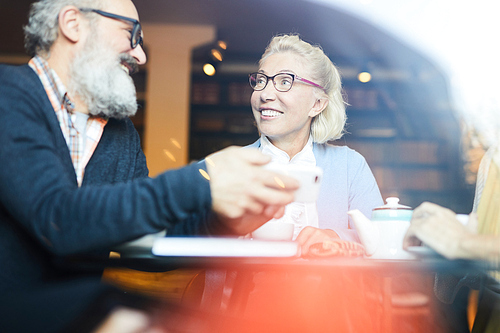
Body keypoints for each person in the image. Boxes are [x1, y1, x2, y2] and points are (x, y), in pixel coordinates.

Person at [0, 0, 299, 332]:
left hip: (74, 312)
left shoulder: (118, 132)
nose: (140, 54)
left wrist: (225, 221)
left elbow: (146, 244)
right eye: (131, 33)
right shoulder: (8, 93)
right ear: (73, 24)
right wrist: (204, 180)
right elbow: (57, 219)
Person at [246, 34, 383, 255]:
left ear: (317, 104)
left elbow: (382, 242)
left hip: (327, 290)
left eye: (284, 81)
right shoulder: (225, 165)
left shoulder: (350, 166)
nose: (264, 94)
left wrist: (334, 236)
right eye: (261, 81)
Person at [403, 144, 500, 332]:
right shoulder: (492, 158)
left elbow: (470, 245)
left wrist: (465, 243)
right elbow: (455, 288)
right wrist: (441, 247)